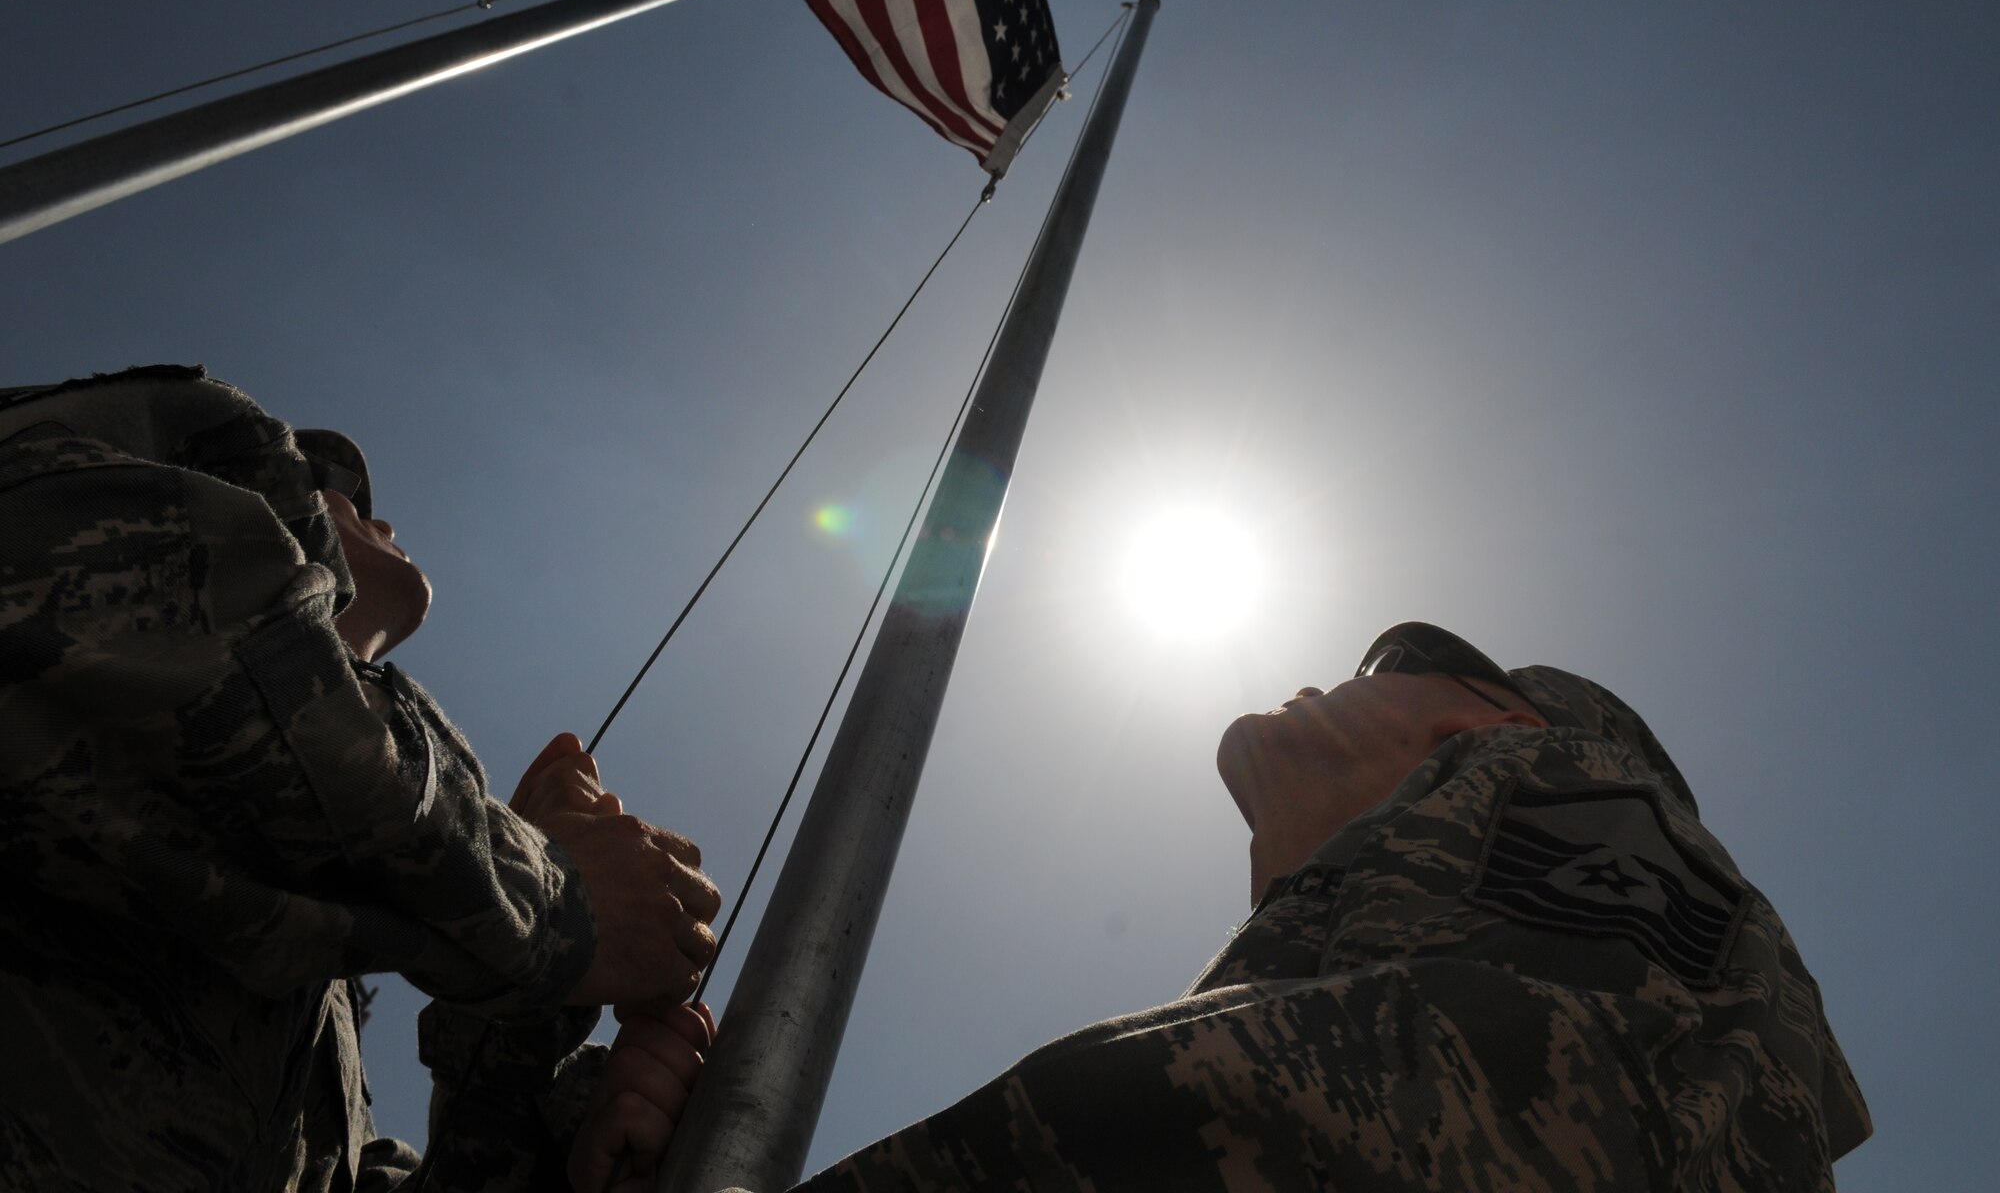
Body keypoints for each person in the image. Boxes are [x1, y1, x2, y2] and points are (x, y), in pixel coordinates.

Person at [781, 622, 1872, 1191]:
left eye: (1399, 660)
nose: (1329, 675)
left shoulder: (1565, 781)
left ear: (1490, 719)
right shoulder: (1364, 920)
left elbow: (1470, 1139)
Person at [0, 364, 719, 1191]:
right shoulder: (81, 475)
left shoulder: (311, 967)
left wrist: (555, 1112)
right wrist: (552, 891)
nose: (375, 514)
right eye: (328, 484)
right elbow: (119, 601)